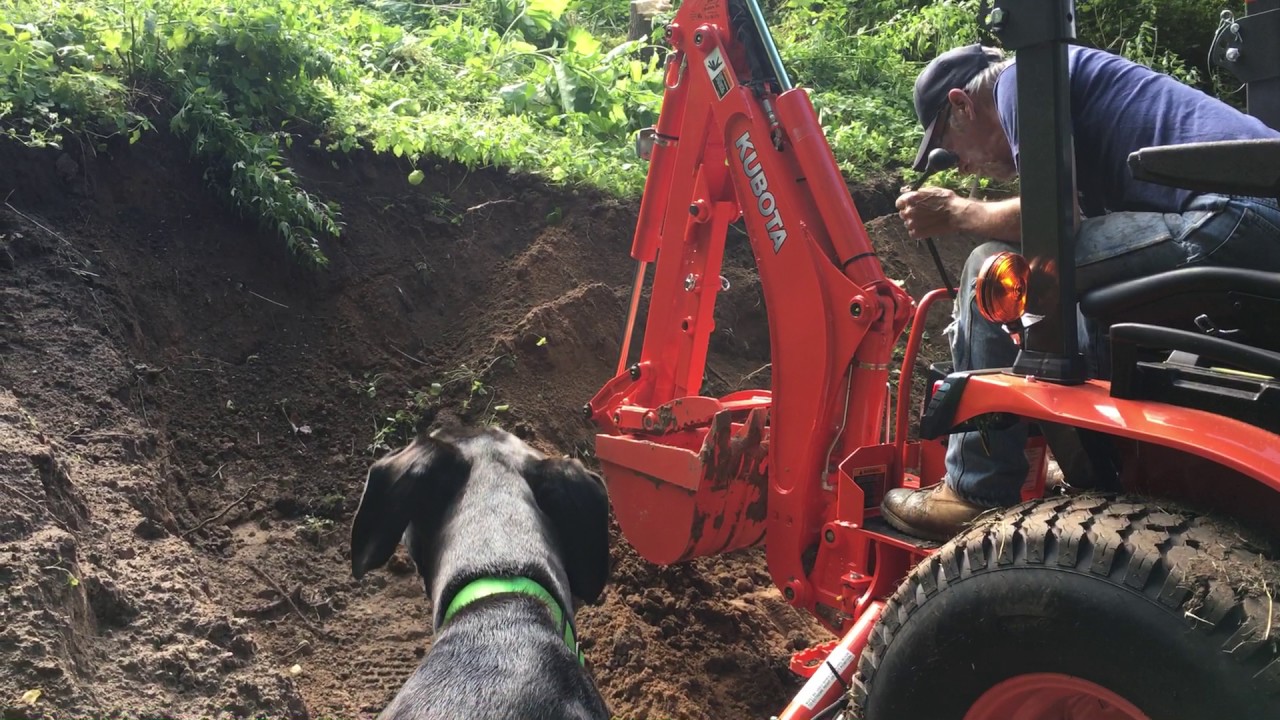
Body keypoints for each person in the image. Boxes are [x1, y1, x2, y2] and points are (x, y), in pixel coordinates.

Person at [882, 43, 1280, 541]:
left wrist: (958, 212)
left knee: (994, 268)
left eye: (949, 146)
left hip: (1234, 217)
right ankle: (1099, 462)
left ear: (962, 105)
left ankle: (974, 490)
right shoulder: (1074, 91)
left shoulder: (1024, 79)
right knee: (1091, 288)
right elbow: (1082, 230)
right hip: (1249, 218)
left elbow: (1055, 219)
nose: (961, 167)